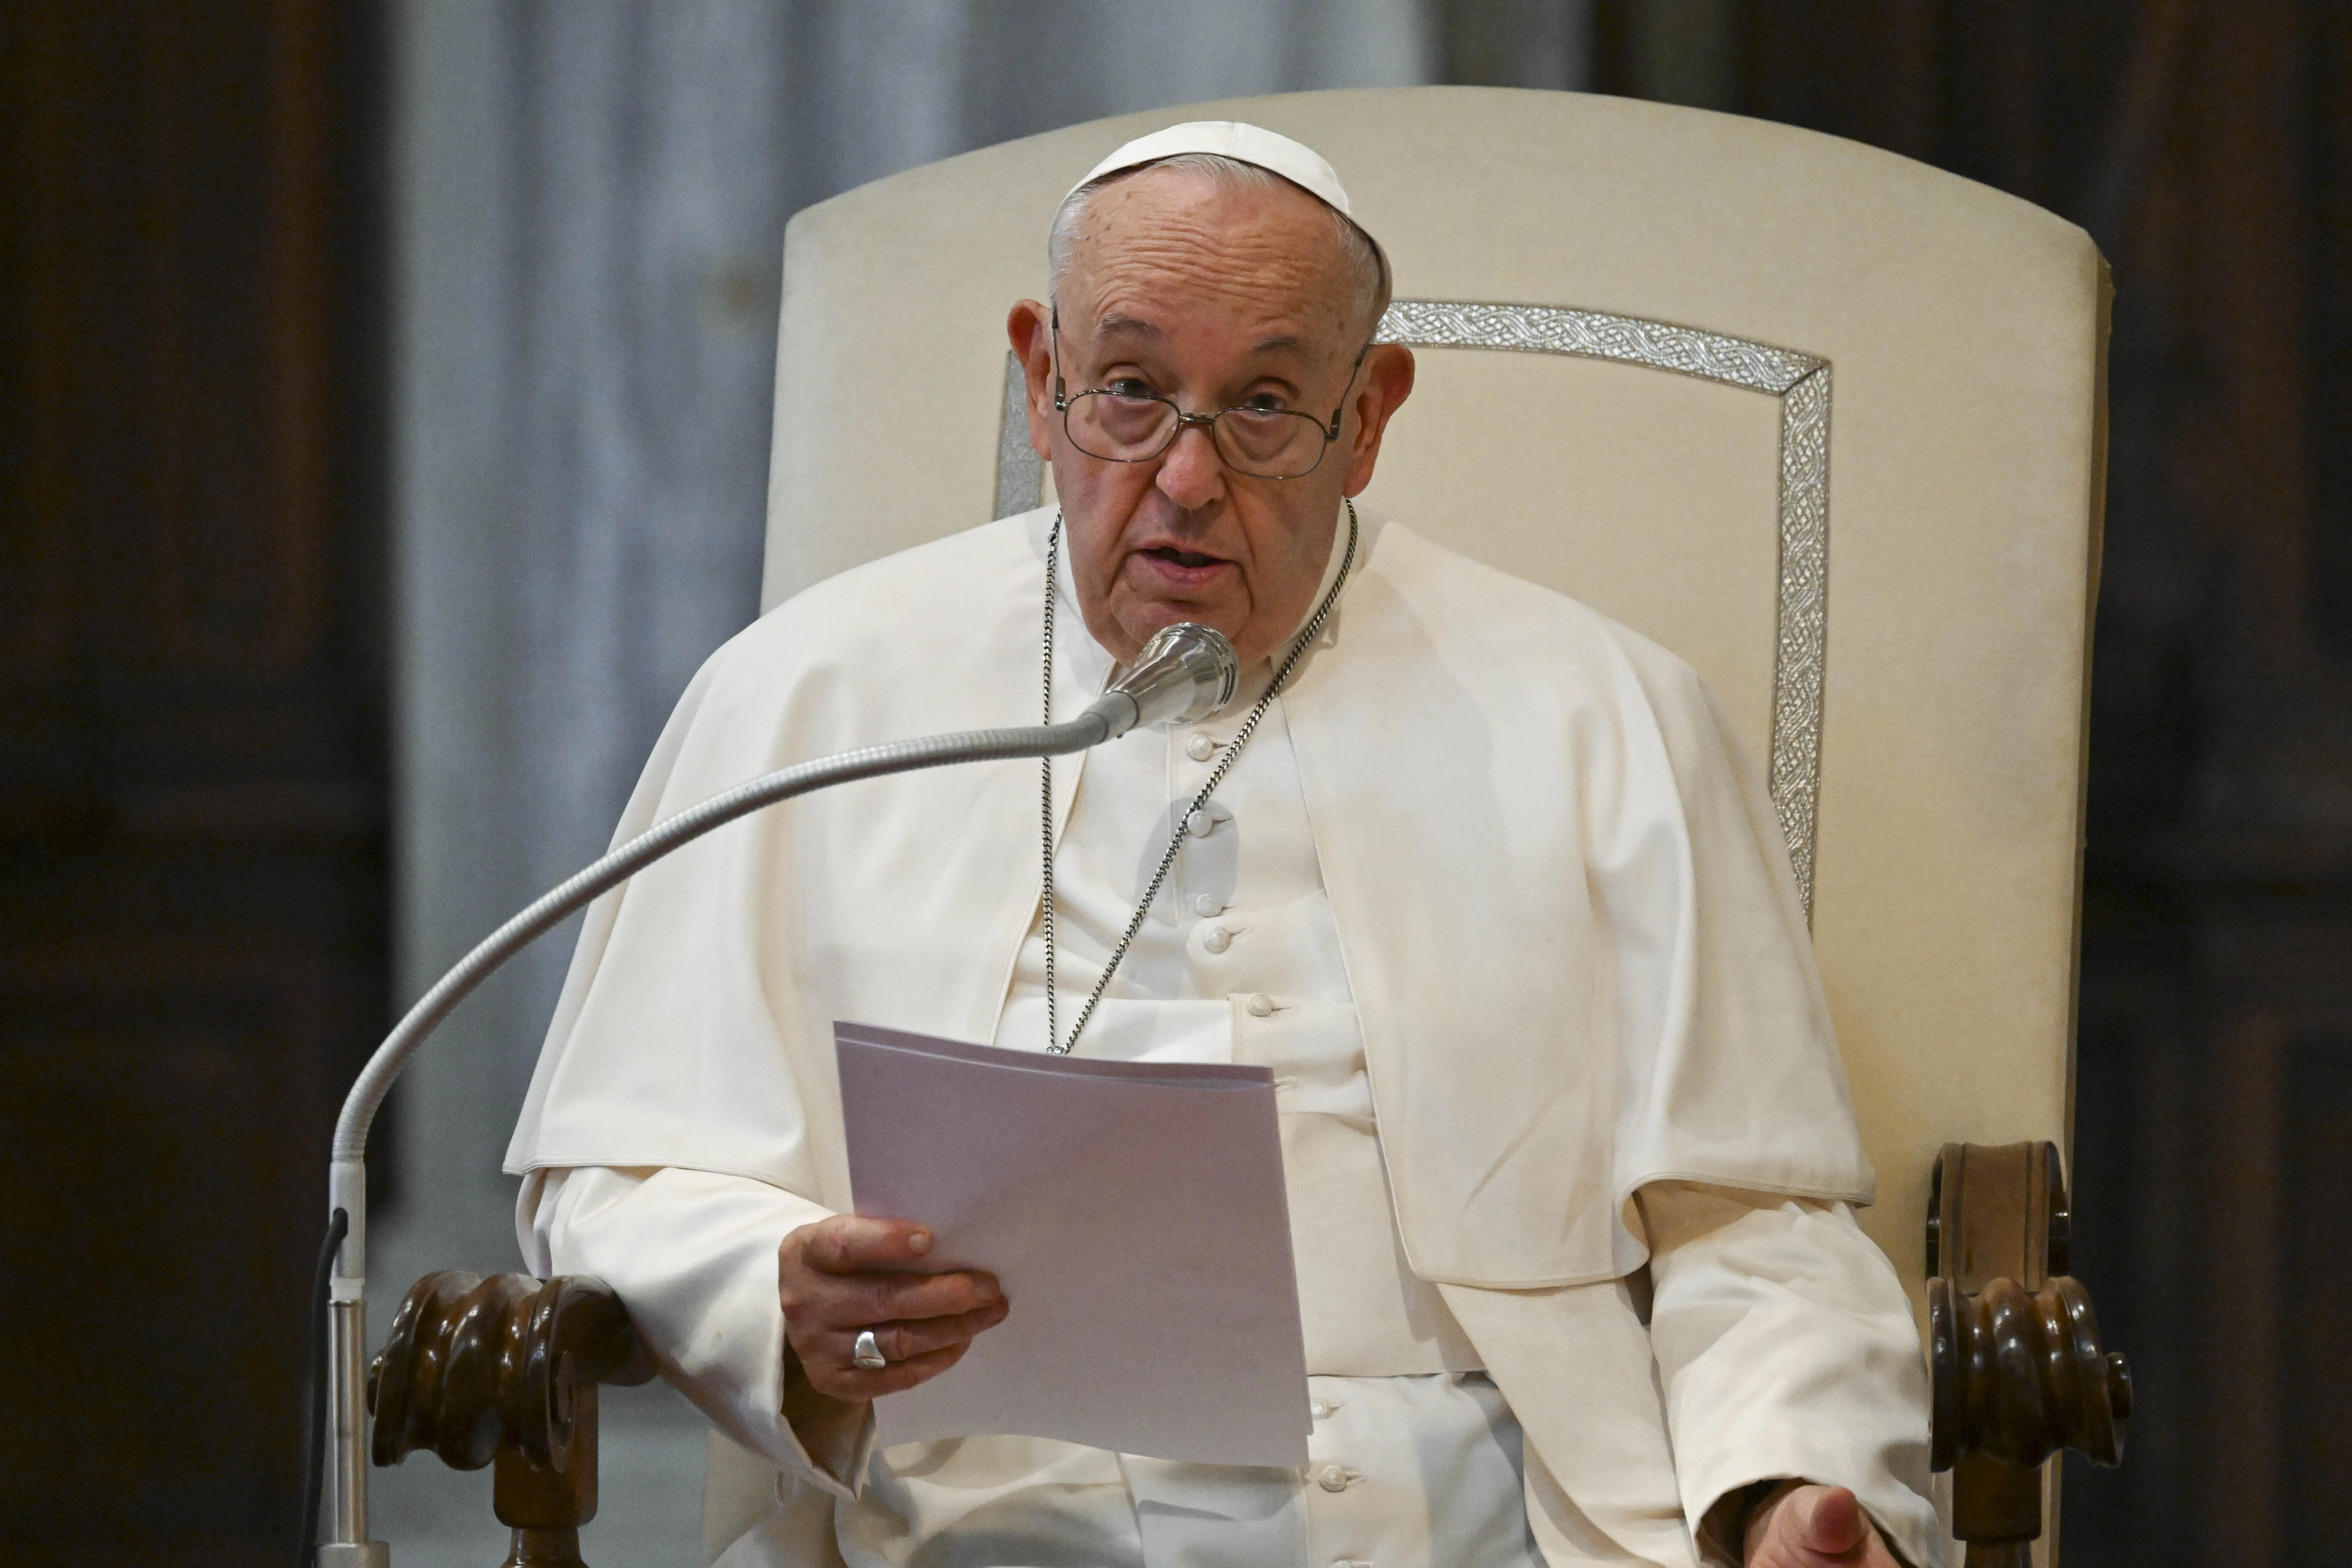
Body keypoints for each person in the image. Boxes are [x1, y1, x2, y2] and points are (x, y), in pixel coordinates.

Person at [506, 121, 1942, 1568]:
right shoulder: (813, 697)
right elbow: (618, 1175)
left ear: (1367, 413)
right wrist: (773, 1289)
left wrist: (1783, 1486)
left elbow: (1754, 1220)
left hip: (1477, 1516)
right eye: (1127, 392)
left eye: (1263, 405)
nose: (1186, 481)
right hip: (984, 1516)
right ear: (1039, 380)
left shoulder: (1605, 710)